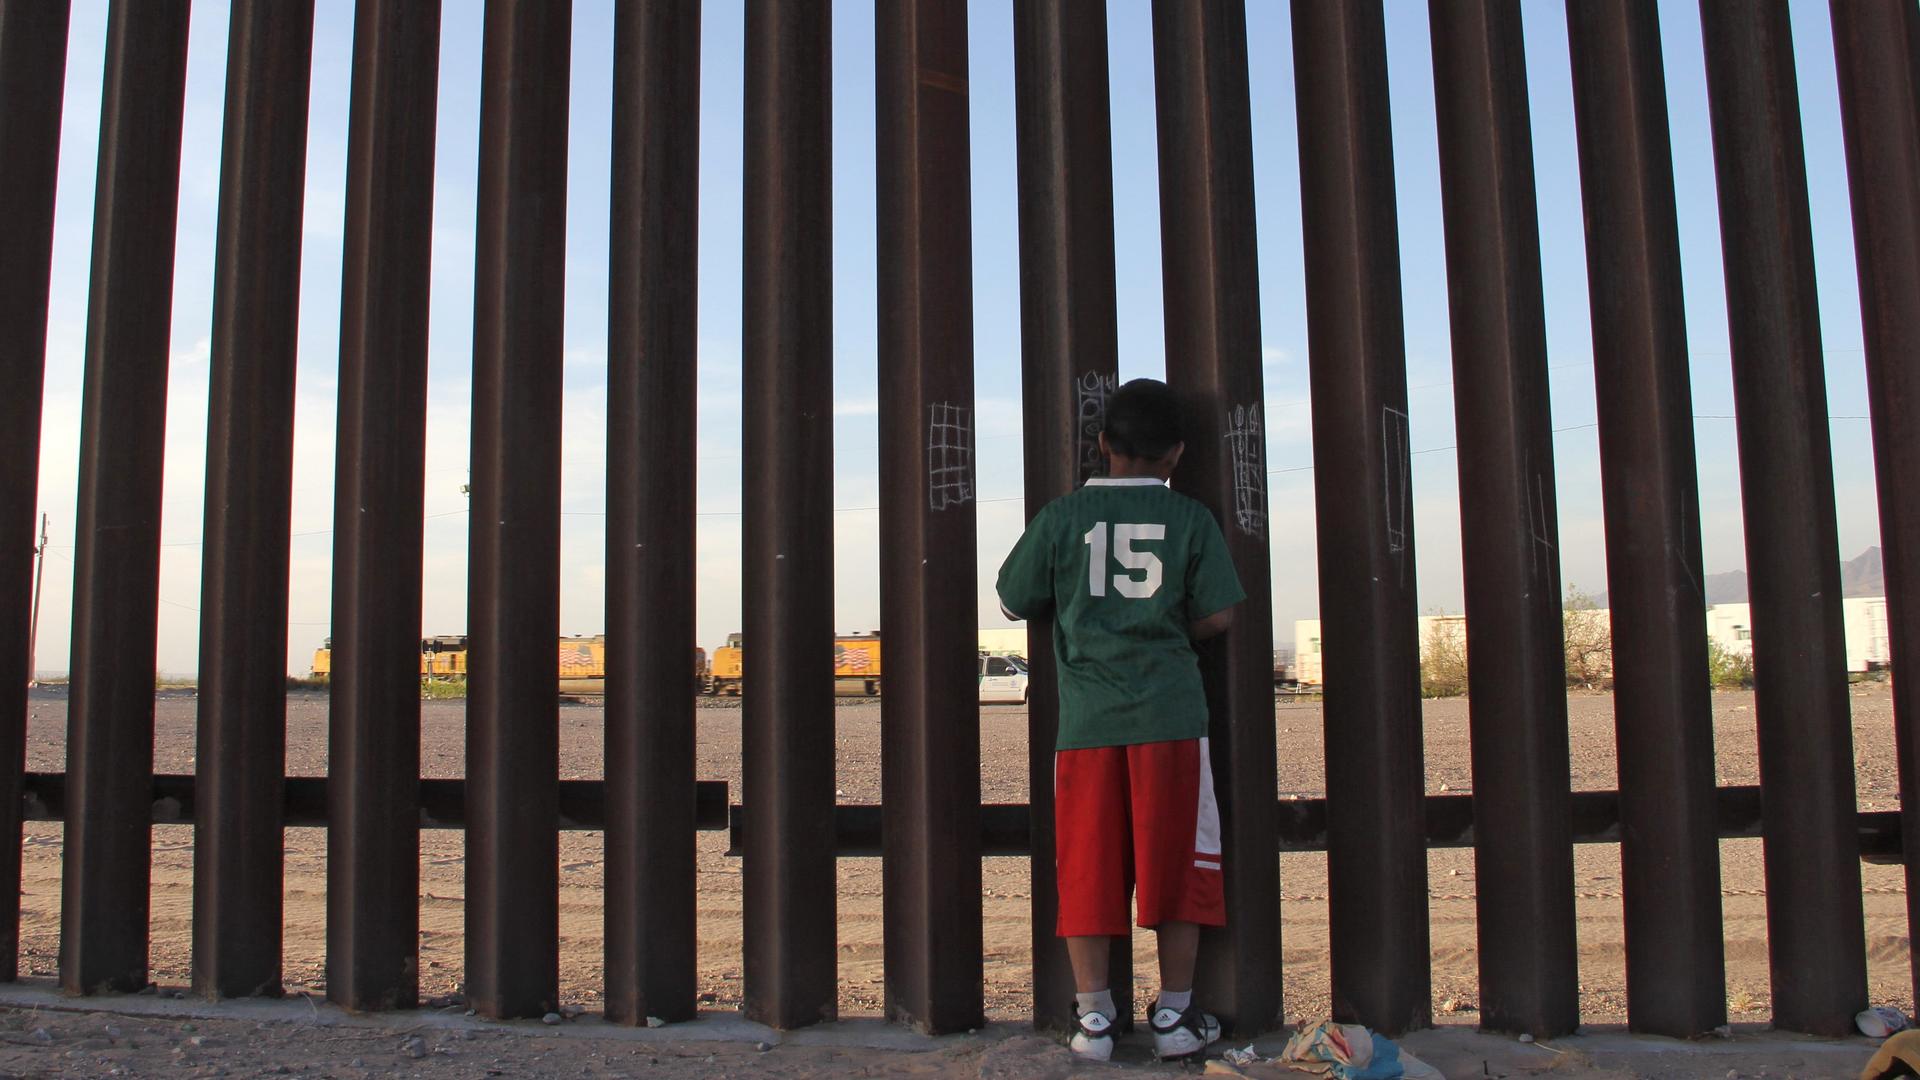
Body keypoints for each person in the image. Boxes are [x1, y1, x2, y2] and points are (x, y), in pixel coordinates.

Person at [995, 377, 1244, 1062]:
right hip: (1170, 718)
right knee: (1177, 866)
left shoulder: (1062, 517)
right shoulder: (1190, 519)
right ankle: (1174, 1015)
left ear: (1102, 445)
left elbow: (1015, 599)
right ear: (1176, 456)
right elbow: (1221, 614)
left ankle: (1096, 1019)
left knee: (1087, 866)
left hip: (1087, 726)